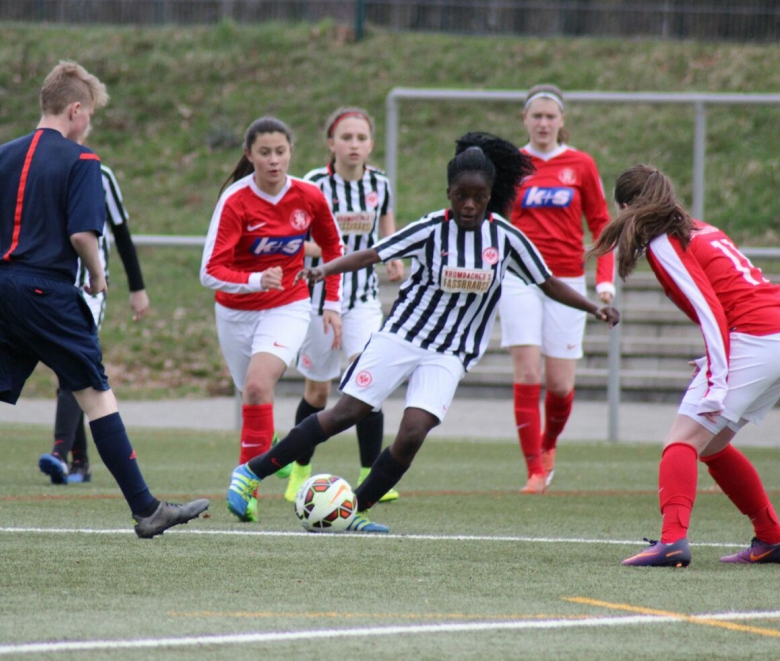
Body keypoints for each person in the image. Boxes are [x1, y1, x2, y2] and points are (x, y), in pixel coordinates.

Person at [227, 132, 620, 533]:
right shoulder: (431, 228)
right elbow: (374, 253)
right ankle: (251, 472)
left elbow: (547, 282)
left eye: (479, 197)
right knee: (347, 413)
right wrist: (325, 269)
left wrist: (594, 307)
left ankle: (354, 509)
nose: (469, 205)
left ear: (490, 196)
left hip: (451, 353)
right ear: (449, 193)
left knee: (414, 432)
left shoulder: (506, 238)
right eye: (461, 196)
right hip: (402, 336)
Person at [0, 61, 208, 537]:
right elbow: (81, 235)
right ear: (75, 110)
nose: (89, 122)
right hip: (46, 292)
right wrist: (98, 277)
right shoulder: (83, 161)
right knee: (96, 395)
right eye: (90, 113)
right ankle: (147, 510)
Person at [587, 164, 780, 567]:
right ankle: (771, 537)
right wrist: (715, 358)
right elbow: (732, 297)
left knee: (682, 441)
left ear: (626, 207)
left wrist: (718, 378)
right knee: (712, 446)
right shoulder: (699, 229)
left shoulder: (663, 242)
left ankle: (672, 541)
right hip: (768, 333)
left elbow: (710, 309)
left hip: (757, 337)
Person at [200, 116, 345, 523]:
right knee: (252, 396)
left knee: (257, 386)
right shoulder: (235, 201)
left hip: (288, 305)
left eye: (281, 151)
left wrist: (332, 303)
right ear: (250, 155)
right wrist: (254, 280)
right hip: (235, 312)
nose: (274, 160)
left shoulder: (308, 196)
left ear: (291, 152)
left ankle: (247, 489)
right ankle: (269, 444)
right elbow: (209, 271)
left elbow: (334, 248)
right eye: (264, 152)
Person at [284, 107, 405, 503]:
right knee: (318, 392)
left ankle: (372, 475)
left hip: (363, 298)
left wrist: (392, 257)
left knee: (367, 379)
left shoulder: (379, 184)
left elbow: (385, 229)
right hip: (319, 298)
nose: (354, 145)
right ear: (331, 143)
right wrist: (333, 252)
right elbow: (293, 239)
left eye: (361, 138)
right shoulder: (313, 184)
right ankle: (299, 470)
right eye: (346, 137)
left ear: (371, 144)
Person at [501, 84, 615, 494]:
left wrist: (604, 278)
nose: (544, 123)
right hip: (519, 278)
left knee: (560, 385)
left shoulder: (580, 164)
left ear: (561, 120)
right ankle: (534, 470)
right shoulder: (512, 164)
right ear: (525, 119)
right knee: (528, 371)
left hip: (567, 279)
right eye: (537, 116)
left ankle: (548, 444)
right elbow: (495, 223)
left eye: (551, 116)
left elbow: (601, 223)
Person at [38, 129, 150, 485]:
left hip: (90, 287)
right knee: (68, 367)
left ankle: (60, 453)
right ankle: (80, 462)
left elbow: (122, 234)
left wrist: (137, 288)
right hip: (52, 283)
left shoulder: (100, 175)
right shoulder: (43, 171)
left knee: (73, 361)